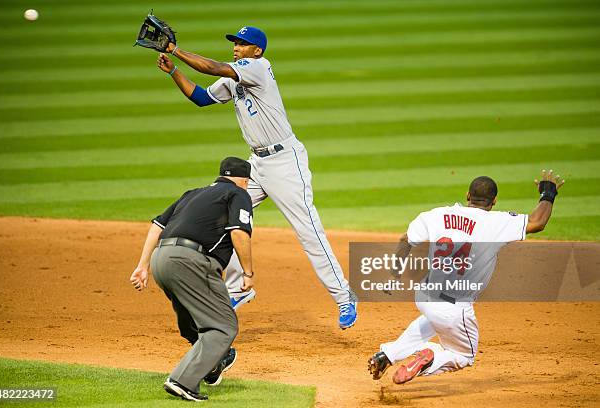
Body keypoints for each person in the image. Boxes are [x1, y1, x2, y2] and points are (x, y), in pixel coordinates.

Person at [155, 26, 357, 329]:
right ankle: (236, 289)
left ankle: (344, 296)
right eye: (235, 42)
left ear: (257, 50)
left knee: (308, 231)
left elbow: (212, 67)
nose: (236, 47)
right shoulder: (235, 78)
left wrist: (175, 51)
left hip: (286, 162)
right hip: (256, 166)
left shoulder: (258, 68)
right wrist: (174, 72)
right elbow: (201, 97)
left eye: (243, 43)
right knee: (226, 216)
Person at [367, 170, 565, 384]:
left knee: (432, 320)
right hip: (453, 308)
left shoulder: (437, 214)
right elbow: (538, 222)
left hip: (424, 295)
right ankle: (429, 359)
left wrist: (394, 274)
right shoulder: (496, 222)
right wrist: (548, 193)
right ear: (494, 201)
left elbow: (406, 239)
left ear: (467, 196)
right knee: (464, 355)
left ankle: (387, 355)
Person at [129, 157, 254, 401]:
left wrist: (143, 266)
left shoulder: (192, 193)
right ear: (244, 180)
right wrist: (248, 273)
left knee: (192, 321)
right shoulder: (239, 194)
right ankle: (182, 381)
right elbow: (239, 232)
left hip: (160, 260)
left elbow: (157, 227)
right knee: (223, 327)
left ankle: (213, 363)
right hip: (191, 262)